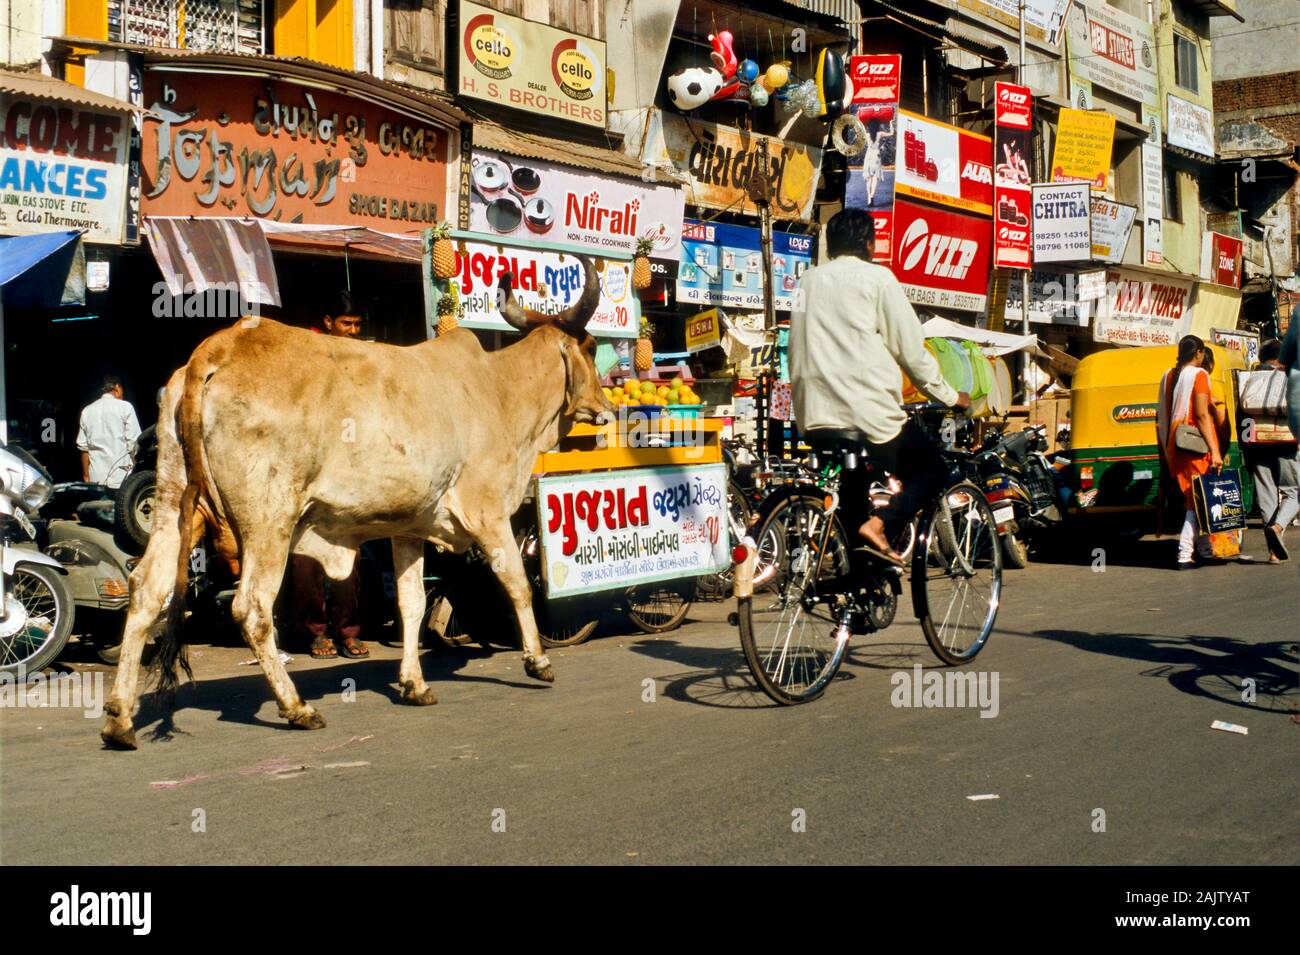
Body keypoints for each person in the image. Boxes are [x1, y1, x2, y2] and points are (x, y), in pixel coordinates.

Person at [789, 208, 970, 565]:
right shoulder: (878, 279)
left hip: (815, 416)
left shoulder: (805, 281)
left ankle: (857, 590)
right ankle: (882, 524)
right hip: (867, 414)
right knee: (932, 470)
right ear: (870, 243)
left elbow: (795, 346)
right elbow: (911, 351)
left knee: (852, 493)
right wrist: (951, 396)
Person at [293, 291, 368, 659]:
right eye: (346, 324)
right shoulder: (308, 353)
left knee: (348, 557)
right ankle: (315, 632)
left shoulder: (363, 357)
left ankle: (349, 631)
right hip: (309, 473)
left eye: (356, 325)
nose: (352, 331)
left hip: (348, 473)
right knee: (306, 561)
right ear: (327, 323)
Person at [1156, 335, 1221, 570]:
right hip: (1195, 446)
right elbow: (1202, 416)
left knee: (1193, 497)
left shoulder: (1169, 375)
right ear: (1199, 353)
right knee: (1195, 502)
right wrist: (1215, 450)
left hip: (1175, 445)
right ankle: (1184, 554)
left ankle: (1205, 549)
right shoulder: (1199, 375)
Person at [1245, 338, 1297, 562]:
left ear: (1260, 357)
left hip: (1257, 441)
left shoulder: (1250, 377)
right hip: (1287, 440)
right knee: (1294, 491)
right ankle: (1278, 526)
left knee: (1266, 495)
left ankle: (1273, 552)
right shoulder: (1290, 376)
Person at [76, 375, 141, 488]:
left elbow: (84, 448)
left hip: (96, 478)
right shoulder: (125, 407)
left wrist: (86, 475)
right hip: (122, 476)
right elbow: (134, 443)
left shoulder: (87, 411)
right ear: (117, 387)